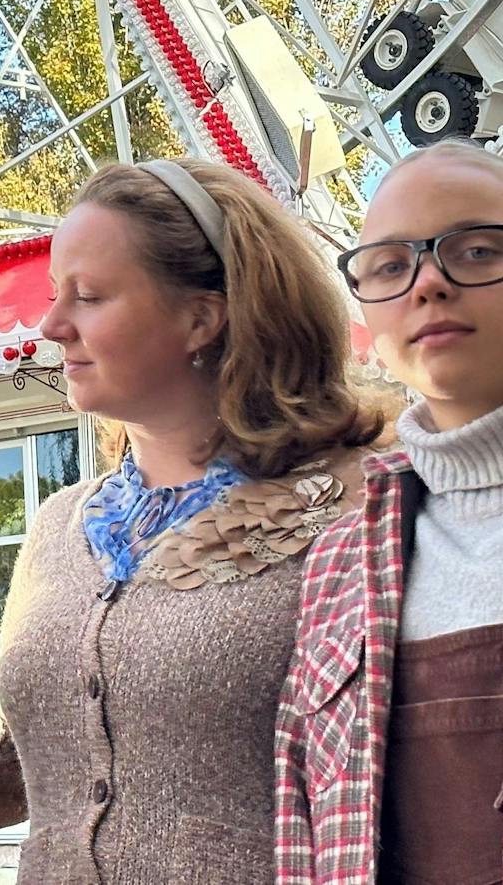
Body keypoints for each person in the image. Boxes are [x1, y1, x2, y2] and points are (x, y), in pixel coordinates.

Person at [0, 158, 385, 884]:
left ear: (201, 317)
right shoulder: (59, 525)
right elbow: (36, 757)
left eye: (88, 296)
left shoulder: (351, 506)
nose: (52, 325)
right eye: (57, 295)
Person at [275, 140, 503, 884]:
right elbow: (305, 824)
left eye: (475, 249)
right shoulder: (340, 561)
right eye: (392, 265)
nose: (430, 282)